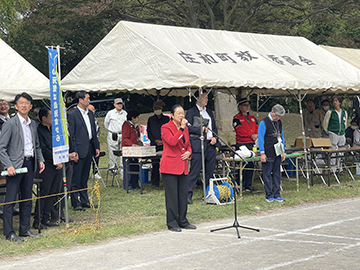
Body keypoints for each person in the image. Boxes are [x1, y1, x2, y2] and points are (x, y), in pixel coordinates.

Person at [0, 92, 45, 242]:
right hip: (15, 166)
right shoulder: (10, 123)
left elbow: (36, 145)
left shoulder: (32, 123)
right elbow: (2, 148)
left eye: (27, 103)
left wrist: (41, 160)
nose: (24, 105)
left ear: (31, 106)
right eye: (21, 103)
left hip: (30, 163)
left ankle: (25, 229)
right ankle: (9, 232)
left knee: (27, 198)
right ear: (16, 106)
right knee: (10, 200)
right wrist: (9, 165)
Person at [160, 104, 196, 232]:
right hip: (170, 166)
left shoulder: (185, 128)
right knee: (172, 196)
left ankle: (183, 220)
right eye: (179, 113)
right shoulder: (165, 127)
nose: (182, 115)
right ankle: (172, 222)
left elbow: (188, 144)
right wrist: (181, 129)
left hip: (183, 164)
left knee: (183, 194)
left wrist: (189, 152)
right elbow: (172, 142)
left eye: (183, 113)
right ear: (172, 115)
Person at [185, 90, 220, 204]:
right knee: (195, 170)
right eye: (205, 97)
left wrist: (215, 138)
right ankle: (187, 194)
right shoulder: (191, 112)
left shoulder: (209, 111)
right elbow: (188, 128)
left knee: (210, 170)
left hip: (210, 143)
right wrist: (201, 129)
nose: (207, 100)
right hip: (198, 144)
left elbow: (214, 127)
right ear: (198, 98)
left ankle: (208, 193)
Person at [68, 91, 100, 211]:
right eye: (87, 98)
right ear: (80, 100)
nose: (89, 100)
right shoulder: (73, 115)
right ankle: (75, 202)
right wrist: (74, 150)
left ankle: (85, 200)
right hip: (79, 149)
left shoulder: (90, 114)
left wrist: (96, 146)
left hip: (89, 148)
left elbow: (93, 131)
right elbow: (72, 135)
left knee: (84, 177)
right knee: (76, 177)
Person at [33, 107, 62, 229]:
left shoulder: (52, 130)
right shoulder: (39, 130)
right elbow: (43, 149)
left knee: (52, 192)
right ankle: (37, 220)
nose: (53, 119)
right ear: (44, 118)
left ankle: (46, 217)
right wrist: (54, 159)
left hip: (56, 164)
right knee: (44, 192)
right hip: (46, 165)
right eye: (51, 117)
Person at [258, 104, 286, 203]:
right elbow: (260, 138)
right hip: (268, 151)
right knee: (267, 174)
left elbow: (281, 136)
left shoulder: (279, 122)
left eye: (280, 117)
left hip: (277, 152)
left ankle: (277, 193)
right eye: (277, 116)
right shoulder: (264, 122)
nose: (278, 118)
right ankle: (268, 194)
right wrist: (262, 152)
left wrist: (283, 151)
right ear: (272, 112)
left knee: (277, 174)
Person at [232, 98, 258, 191]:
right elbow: (239, 130)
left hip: (251, 143)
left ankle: (249, 184)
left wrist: (256, 135)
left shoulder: (253, 118)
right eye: (245, 105)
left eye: (248, 105)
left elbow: (257, 127)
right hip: (242, 144)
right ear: (240, 107)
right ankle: (240, 184)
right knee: (241, 165)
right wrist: (251, 135)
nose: (247, 107)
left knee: (251, 164)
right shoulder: (236, 118)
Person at [146, 100, 170, 187]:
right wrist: (155, 140)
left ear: (162, 108)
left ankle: (167, 181)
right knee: (155, 163)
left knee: (166, 163)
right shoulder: (151, 119)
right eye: (155, 108)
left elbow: (169, 131)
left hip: (165, 144)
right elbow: (149, 132)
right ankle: (155, 182)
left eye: (159, 108)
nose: (157, 109)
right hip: (154, 144)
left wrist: (164, 141)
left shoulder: (167, 119)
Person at [323, 95, 347, 175]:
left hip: (342, 133)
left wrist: (343, 130)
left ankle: (339, 169)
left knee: (341, 152)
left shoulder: (344, 112)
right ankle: (332, 170)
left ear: (339, 102)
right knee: (333, 151)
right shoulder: (330, 112)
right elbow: (325, 123)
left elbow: (345, 122)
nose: (334, 102)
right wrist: (329, 131)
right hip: (333, 132)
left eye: (336, 101)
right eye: (333, 101)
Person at [104, 98, 127, 175]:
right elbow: (106, 124)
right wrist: (111, 131)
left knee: (122, 151)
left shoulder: (125, 113)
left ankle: (121, 168)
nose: (119, 105)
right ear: (114, 105)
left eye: (120, 103)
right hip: (113, 134)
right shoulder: (110, 113)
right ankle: (113, 168)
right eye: (118, 104)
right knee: (112, 151)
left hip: (122, 134)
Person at [121, 110, 141, 190]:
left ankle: (135, 183)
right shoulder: (126, 125)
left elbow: (137, 136)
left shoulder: (134, 126)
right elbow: (125, 138)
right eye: (137, 117)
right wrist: (132, 144)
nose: (138, 119)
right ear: (132, 118)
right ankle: (127, 185)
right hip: (128, 150)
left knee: (135, 166)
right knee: (128, 168)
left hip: (135, 150)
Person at [88, 104, 101, 180]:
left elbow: (98, 128)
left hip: (95, 141)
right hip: (88, 141)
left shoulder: (95, 120)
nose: (93, 111)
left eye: (94, 110)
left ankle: (95, 172)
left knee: (96, 156)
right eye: (91, 109)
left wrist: (97, 136)